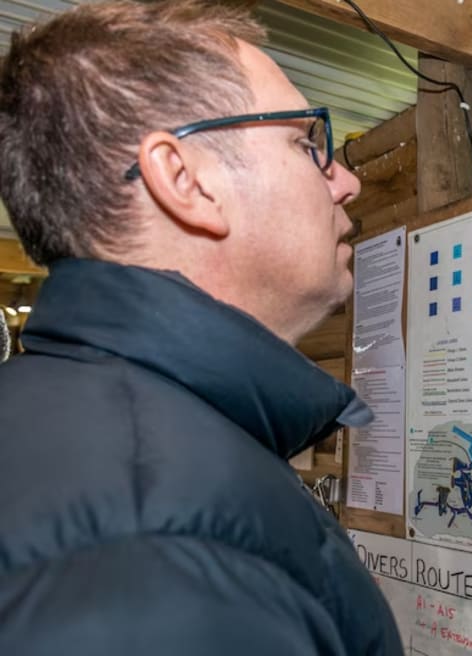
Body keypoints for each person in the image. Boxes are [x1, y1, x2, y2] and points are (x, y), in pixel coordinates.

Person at [0, 2, 402, 654]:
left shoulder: (82, 428)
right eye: (306, 143)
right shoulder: (153, 544)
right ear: (184, 181)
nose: (348, 181)